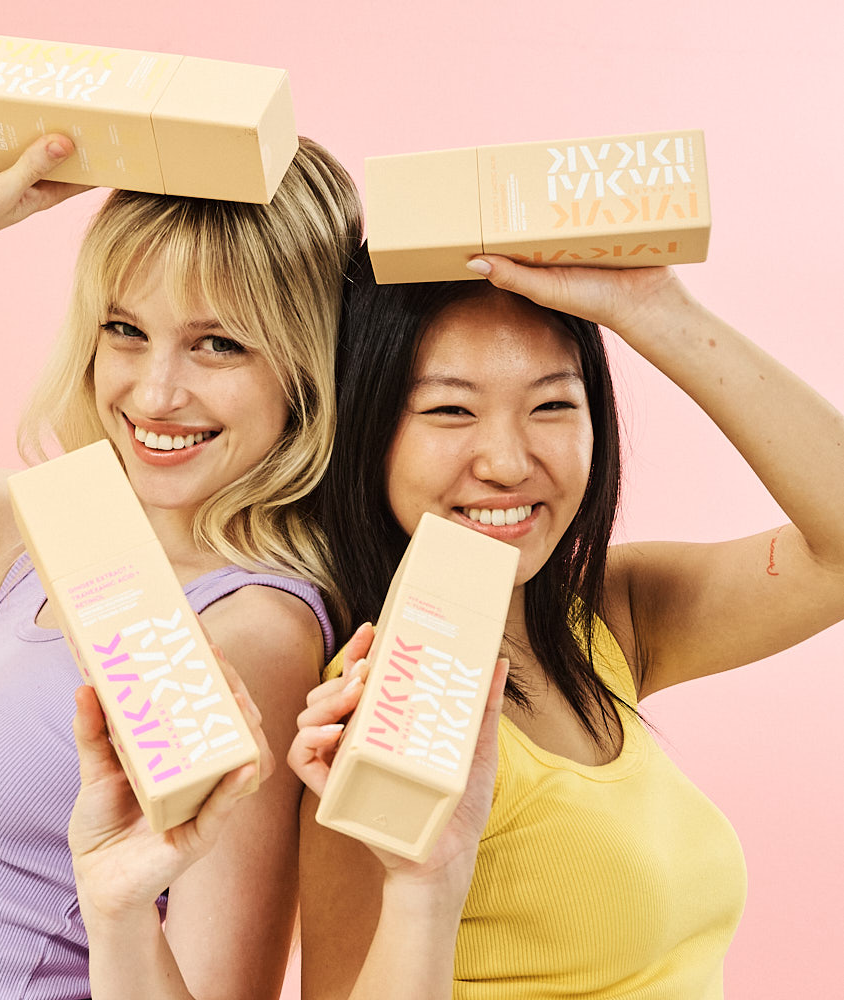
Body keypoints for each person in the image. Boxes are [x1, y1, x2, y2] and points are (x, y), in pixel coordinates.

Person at [0, 126, 362, 1000]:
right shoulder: (39, 535)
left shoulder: (250, 632)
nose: (154, 393)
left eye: (219, 344)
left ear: (308, 367)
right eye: (126, 330)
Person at [288, 244, 844, 999]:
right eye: (451, 409)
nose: (508, 463)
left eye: (552, 404)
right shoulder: (380, 710)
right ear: (367, 431)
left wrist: (656, 311)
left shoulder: (606, 621)